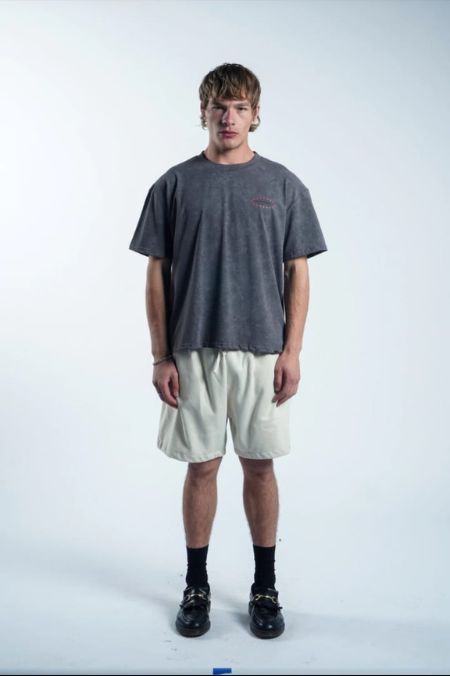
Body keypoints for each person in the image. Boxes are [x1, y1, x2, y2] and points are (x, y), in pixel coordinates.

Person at [129, 63, 328, 639]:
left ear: (256, 115)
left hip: (263, 349)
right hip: (193, 347)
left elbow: (298, 273)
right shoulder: (173, 185)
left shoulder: (284, 185)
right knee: (202, 465)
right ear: (203, 112)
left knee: (260, 465)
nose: (229, 117)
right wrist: (160, 355)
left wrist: (293, 351)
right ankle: (197, 586)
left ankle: (265, 587)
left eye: (240, 107)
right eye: (219, 107)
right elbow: (156, 274)